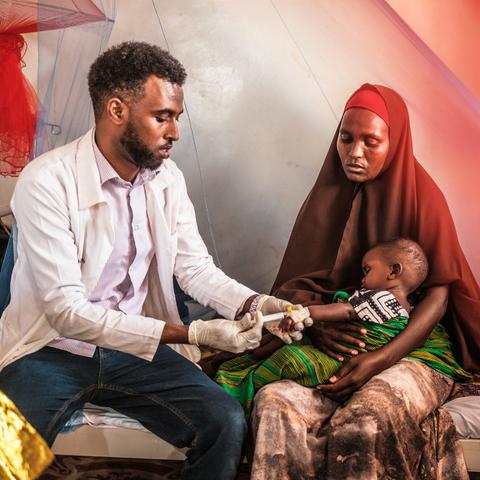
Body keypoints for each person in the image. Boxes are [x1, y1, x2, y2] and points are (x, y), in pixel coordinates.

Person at [0, 42, 311, 480]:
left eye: (176, 118)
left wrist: (257, 305)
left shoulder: (166, 179)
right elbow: (66, 313)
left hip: (134, 353)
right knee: (7, 452)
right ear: (116, 110)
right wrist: (194, 332)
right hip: (50, 350)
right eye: (162, 116)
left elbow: (194, 268)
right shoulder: (47, 181)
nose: (175, 132)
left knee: (225, 423)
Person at [250, 84, 480, 480]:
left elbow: (440, 295)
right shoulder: (326, 195)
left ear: (394, 142)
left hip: (409, 351)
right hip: (334, 350)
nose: (354, 152)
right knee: (273, 402)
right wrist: (319, 329)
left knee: (368, 417)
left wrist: (381, 358)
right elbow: (297, 287)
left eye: (370, 141)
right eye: (346, 138)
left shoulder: (424, 197)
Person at [215, 238, 470, 417]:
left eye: (367, 270)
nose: (361, 279)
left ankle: (240, 388)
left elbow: (347, 310)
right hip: (349, 358)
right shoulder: (406, 308)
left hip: (344, 359)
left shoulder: (377, 297)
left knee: (289, 355)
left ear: (394, 271)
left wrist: (303, 312)